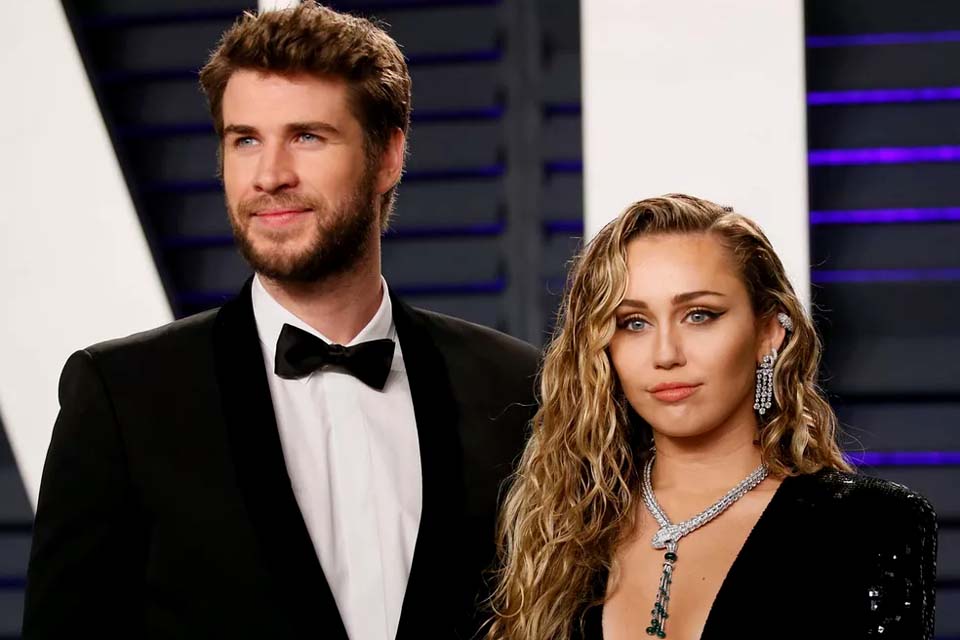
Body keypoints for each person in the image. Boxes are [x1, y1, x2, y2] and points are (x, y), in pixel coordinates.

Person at [23, 5, 538, 639]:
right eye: (245, 140)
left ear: (388, 156)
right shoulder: (120, 397)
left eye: (307, 137)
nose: (269, 176)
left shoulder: (515, 387)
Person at [486, 194, 937, 640]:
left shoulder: (868, 525)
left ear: (768, 332)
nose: (666, 354)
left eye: (699, 315)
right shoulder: (561, 530)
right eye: (634, 323)